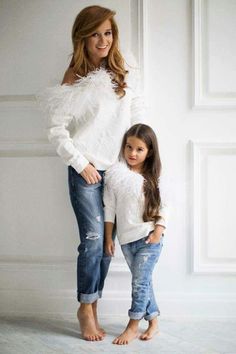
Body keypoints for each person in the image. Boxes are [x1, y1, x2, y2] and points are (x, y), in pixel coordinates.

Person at [38, 5, 145, 341]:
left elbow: (137, 115)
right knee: (93, 241)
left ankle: (93, 302)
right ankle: (87, 306)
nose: (103, 40)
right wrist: (80, 163)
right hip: (85, 171)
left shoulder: (124, 69)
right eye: (95, 33)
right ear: (83, 38)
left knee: (109, 245)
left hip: (118, 173)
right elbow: (56, 129)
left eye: (108, 33)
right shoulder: (74, 77)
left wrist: (136, 160)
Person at [103, 123, 168, 345]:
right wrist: (107, 237)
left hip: (149, 238)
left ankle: (132, 324)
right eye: (129, 147)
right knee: (144, 282)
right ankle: (154, 323)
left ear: (149, 152)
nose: (132, 153)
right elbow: (109, 208)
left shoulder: (154, 177)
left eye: (139, 149)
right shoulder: (116, 176)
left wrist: (158, 232)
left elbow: (164, 207)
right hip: (126, 240)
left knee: (139, 283)